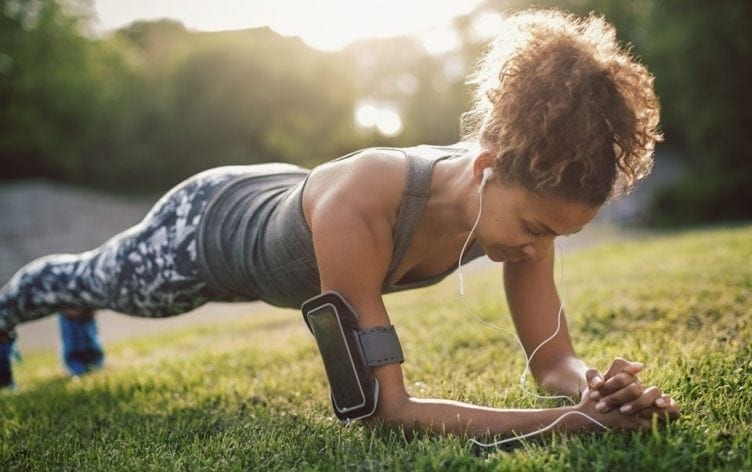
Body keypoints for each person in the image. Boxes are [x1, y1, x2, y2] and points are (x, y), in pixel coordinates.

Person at [0, 9, 680, 437]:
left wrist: (593, 386)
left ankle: (78, 308)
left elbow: (552, 360)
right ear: (486, 168)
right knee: (103, 281)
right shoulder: (367, 199)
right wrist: (572, 423)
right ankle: (22, 308)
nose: (539, 249)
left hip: (280, 194)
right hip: (204, 230)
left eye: (557, 236)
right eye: (535, 227)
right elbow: (381, 410)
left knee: (97, 286)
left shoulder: (525, 206)